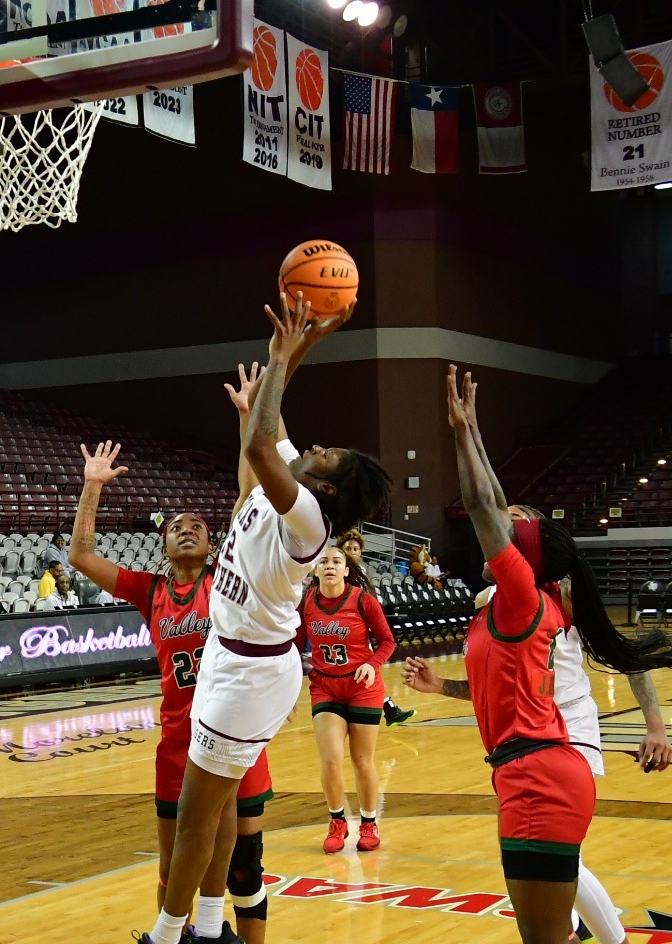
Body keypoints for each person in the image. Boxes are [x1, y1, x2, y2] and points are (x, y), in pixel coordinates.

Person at [400, 365, 672, 944]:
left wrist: (461, 435)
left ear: (523, 557)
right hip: (529, 754)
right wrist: (472, 430)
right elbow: (493, 504)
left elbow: (483, 505)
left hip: (553, 748)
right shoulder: (505, 601)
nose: (497, 532)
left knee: (558, 893)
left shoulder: (529, 599)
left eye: (511, 534)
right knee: (557, 901)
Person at [137, 295, 390, 944]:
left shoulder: (307, 516)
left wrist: (281, 357)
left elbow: (259, 439)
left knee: (196, 813)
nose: (317, 447)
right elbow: (267, 429)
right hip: (231, 654)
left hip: (250, 674)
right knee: (215, 805)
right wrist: (300, 348)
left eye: (328, 455)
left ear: (327, 488)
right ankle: (211, 927)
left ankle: (167, 937)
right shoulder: (300, 487)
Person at [70, 442, 274, 944]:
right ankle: (176, 938)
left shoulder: (227, 578)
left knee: (244, 867)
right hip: (179, 740)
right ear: (162, 544)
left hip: (233, 733)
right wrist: (92, 486)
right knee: (173, 865)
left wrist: (248, 422)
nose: (187, 530)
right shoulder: (151, 590)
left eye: (197, 526)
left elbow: (249, 495)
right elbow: (80, 555)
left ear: (215, 541)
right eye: (176, 527)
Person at [297, 545, 396, 855]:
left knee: (362, 760)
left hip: (362, 686)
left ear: (346, 569)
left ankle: (369, 824)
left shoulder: (363, 601)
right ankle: (337, 821)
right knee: (330, 759)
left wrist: (372, 664)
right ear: (315, 570)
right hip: (325, 686)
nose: (329, 566)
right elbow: (293, 646)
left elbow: (388, 641)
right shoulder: (306, 602)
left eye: (336, 561)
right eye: (323, 561)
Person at [337, 529, 415, 726]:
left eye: (355, 549)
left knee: (367, 667)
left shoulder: (363, 571)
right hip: (341, 627)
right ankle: (386, 709)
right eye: (348, 548)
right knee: (365, 667)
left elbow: (368, 599)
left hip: (359, 627)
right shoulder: (339, 571)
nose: (352, 552)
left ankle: (388, 709)